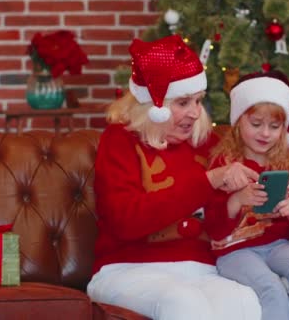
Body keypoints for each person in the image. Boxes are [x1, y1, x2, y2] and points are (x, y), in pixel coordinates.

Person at [87, 35, 262, 320]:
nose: (195, 113)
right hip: (126, 268)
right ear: (152, 106)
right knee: (183, 302)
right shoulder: (119, 140)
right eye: (183, 102)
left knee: (243, 301)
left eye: (198, 101)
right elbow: (125, 220)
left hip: (201, 269)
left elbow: (221, 224)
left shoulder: (207, 143)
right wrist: (207, 182)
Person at [204, 71, 289, 320]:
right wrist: (237, 200)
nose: (265, 133)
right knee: (271, 288)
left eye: (274, 126)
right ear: (238, 123)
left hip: (278, 245)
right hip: (233, 251)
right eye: (256, 124)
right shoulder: (224, 165)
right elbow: (213, 229)